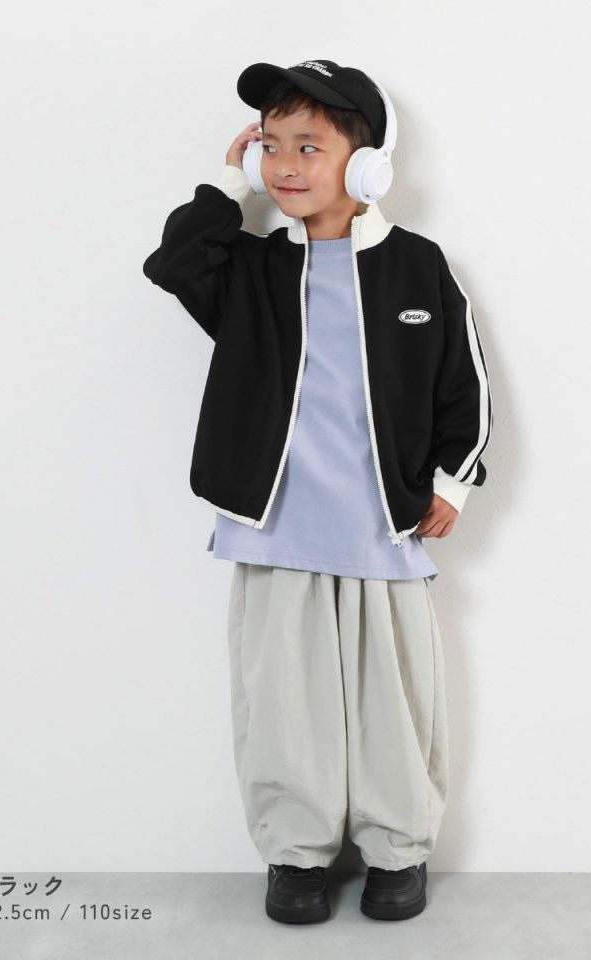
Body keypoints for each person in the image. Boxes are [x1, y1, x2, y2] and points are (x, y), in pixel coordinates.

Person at [143, 59, 492, 924]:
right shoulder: (250, 270)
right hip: (275, 528)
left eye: (309, 146)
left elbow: (467, 387)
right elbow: (174, 262)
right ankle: (295, 855)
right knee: (283, 707)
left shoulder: (418, 267)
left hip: (383, 525)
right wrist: (231, 185)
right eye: (271, 145)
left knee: (392, 704)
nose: (286, 165)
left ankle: (397, 849)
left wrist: (452, 481)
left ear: (367, 164)